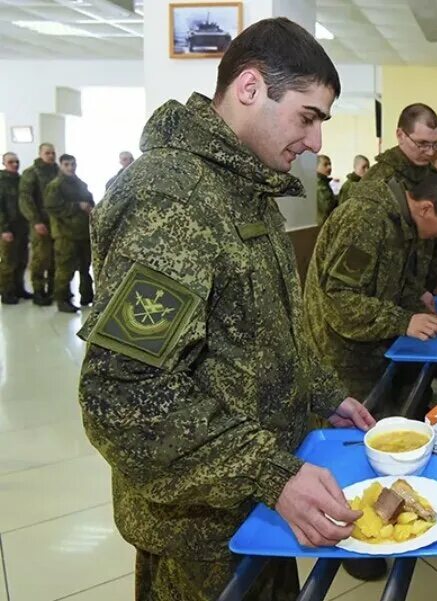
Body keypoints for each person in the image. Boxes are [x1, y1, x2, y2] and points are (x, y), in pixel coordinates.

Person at [77, 18, 376, 601]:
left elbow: (262, 333)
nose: (316, 142)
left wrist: (321, 392)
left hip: (256, 501)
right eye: (307, 117)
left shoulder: (246, 187)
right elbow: (124, 397)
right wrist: (270, 472)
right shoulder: (171, 199)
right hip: (199, 530)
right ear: (250, 88)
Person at [303, 172, 437, 403]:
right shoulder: (364, 219)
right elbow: (340, 298)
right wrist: (403, 321)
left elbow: (389, 277)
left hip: (367, 349)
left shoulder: (399, 222)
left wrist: (417, 302)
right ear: (426, 209)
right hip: (338, 359)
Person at [363, 104, 437, 296]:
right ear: (400, 135)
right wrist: (413, 293)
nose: (429, 152)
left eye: (435, 144)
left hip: (416, 286)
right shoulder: (379, 180)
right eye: (422, 144)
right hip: (381, 296)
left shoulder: (430, 175)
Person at [44, 153, 94, 313]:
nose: (71, 167)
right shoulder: (55, 185)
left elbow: (90, 201)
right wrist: (77, 206)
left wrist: (90, 208)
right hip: (65, 234)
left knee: (85, 267)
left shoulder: (80, 183)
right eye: (67, 164)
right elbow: (52, 207)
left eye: (73, 164)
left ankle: (87, 296)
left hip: (83, 232)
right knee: (65, 269)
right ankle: (62, 300)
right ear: (61, 166)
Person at [18, 142, 58, 306]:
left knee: (56, 258)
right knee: (41, 258)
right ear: (40, 153)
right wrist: (35, 222)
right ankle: (39, 291)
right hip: (40, 222)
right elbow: (25, 199)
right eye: (47, 153)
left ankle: (54, 290)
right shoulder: (31, 173)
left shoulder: (58, 171)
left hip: (56, 223)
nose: (51, 155)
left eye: (53, 153)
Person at [0, 152, 31, 304]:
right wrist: (4, 229)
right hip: (8, 228)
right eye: (11, 162)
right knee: (8, 262)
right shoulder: (1, 181)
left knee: (21, 260)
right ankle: (6, 293)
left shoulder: (21, 180)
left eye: (16, 161)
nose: (15, 164)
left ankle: (20, 289)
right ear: (4, 163)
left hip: (22, 227)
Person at [316, 154, 338, 224]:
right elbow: (327, 207)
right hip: (322, 224)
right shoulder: (320, 185)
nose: (329, 167)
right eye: (325, 165)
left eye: (330, 164)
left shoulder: (324, 182)